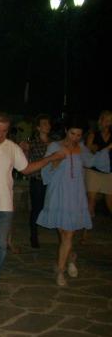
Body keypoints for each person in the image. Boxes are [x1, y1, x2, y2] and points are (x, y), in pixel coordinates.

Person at [0, 112, 65, 296]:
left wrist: (50, 159)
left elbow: (26, 169)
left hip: (5, 207)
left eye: (5, 131)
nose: (1, 134)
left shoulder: (12, 147)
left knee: (0, 245)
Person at [37, 116, 110, 286]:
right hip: (58, 194)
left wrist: (108, 148)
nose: (75, 138)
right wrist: (56, 160)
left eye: (78, 135)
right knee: (63, 233)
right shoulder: (55, 146)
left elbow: (93, 162)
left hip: (75, 195)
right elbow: (46, 170)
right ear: (66, 131)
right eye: (72, 133)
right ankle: (71, 257)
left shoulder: (81, 148)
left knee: (68, 234)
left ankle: (60, 271)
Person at [20, 114, 52, 248]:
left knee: (50, 206)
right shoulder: (33, 143)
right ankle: (34, 235)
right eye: (44, 124)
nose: (47, 126)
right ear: (38, 127)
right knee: (37, 208)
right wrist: (24, 149)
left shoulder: (54, 143)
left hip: (51, 180)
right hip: (38, 179)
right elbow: (26, 161)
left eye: (48, 123)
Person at [83, 110, 112, 242]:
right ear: (101, 121)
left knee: (110, 201)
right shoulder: (93, 134)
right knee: (91, 200)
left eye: (110, 120)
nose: (108, 123)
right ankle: (86, 232)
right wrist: (94, 148)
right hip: (94, 171)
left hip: (108, 171)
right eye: (106, 120)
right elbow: (87, 151)